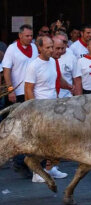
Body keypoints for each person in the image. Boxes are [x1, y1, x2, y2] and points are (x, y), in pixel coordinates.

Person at [24, 36, 72, 182]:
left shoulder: (53, 62)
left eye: (52, 47)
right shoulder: (34, 66)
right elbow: (28, 89)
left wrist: (69, 86)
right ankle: (37, 174)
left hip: (54, 108)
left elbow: (57, 80)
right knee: (41, 144)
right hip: (40, 110)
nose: (51, 50)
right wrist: (34, 111)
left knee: (56, 142)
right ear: (39, 48)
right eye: (48, 47)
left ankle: (50, 169)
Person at [2, 24, 38, 179]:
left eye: (31, 36)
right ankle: (17, 160)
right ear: (20, 35)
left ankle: (26, 160)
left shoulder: (35, 48)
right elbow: (7, 69)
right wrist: (10, 90)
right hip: (18, 92)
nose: (30, 38)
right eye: (27, 36)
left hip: (31, 91)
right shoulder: (12, 49)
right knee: (18, 127)